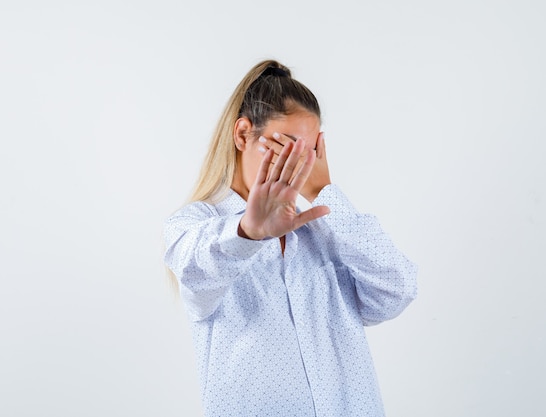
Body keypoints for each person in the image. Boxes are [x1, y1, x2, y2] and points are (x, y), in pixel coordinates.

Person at [163, 59, 417, 417]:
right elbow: (196, 274)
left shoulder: (326, 232)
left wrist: (326, 193)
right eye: (285, 147)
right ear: (242, 135)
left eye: (310, 153)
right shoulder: (198, 225)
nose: (298, 165)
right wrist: (248, 233)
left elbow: (396, 292)